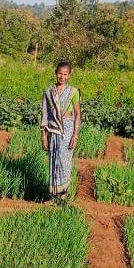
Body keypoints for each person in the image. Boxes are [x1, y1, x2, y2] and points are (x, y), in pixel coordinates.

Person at [40, 61, 81, 202]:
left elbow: (77, 114)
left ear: (69, 75)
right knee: (53, 161)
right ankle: (52, 196)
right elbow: (44, 114)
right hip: (53, 130)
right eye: (60, 73)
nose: (62, 77)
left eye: (65, 74)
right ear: (55, 73)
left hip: (68, 130)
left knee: (64, 161)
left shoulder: (73, 92)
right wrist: (43, 136)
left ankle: (62, 196)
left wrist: (75, 135)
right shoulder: (48, 92)